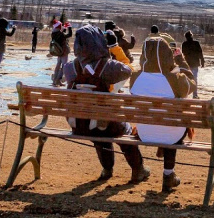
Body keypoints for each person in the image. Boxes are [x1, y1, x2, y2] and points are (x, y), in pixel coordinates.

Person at [63, 25, 149, 184]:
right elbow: (129, 69)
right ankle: (138, 170)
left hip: (80, 124)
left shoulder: (70, 68)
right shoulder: (108, 67)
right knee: (123, 129)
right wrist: (115, 48)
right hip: (104, 124)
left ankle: (107, 169)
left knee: (100, 131)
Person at [130, 36, 195, 192]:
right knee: (171, 126)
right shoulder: (173, 78)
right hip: (171, 133)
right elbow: (192, 83)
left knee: (164, 122)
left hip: (145, 131)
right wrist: (180, 61)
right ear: (167, 54)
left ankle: (156, 163)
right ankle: (168, 175)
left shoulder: (135, 77)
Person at [50, 20, 73, 87]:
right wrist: (69, 27)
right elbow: (69, 35)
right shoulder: (60, 34)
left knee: (58, 65)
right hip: (63, 51)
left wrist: (64, 28)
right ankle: (58, 79)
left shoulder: (54, 33)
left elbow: (61, 33)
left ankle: (55, 80)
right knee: (64, 66)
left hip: (58, 51)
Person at [182, 31, 205, 97]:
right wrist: (202, 61)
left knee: (186, 79)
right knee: (194, 79)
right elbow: (200, 53)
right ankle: (195, 95)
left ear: (186, 37)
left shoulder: (184, 44)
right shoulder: (196, 43)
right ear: (191, 36)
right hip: (194, 64)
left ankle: (185, 94)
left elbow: (183, 54)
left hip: (187, 64)